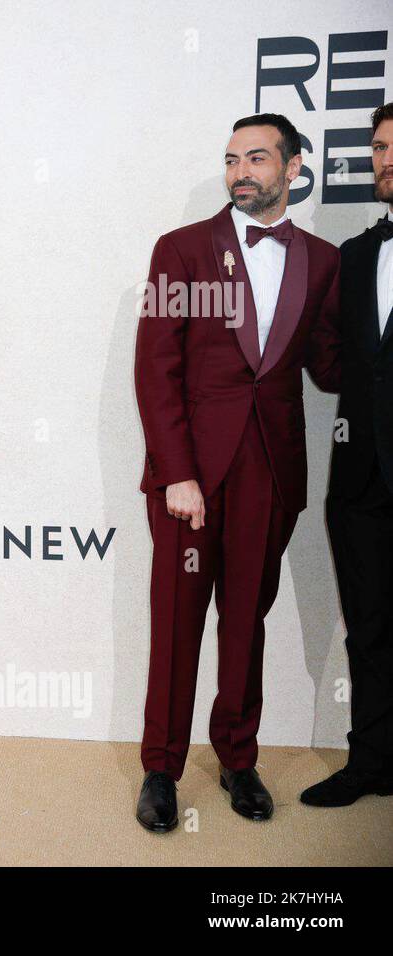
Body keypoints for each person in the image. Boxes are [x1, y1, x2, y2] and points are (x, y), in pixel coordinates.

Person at [132, 115, 341, 832]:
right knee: (177, 625)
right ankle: (161, 768)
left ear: (294, 167)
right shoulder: (182, 250)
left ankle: (237, 757)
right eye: (231, 160)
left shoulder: (322, 260)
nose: (240, 171)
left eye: (257, 158)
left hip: (271, 473)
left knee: (246, 623)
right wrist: (176, 473)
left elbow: (331, 363)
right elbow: (155, 369)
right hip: (192, 475)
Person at [303, 102, 393, 808]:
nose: (386, 158)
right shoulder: (355, 255)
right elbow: (333, 366)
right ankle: (370, 764)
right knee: (369, 628)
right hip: (360, 477)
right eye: (379, 147)